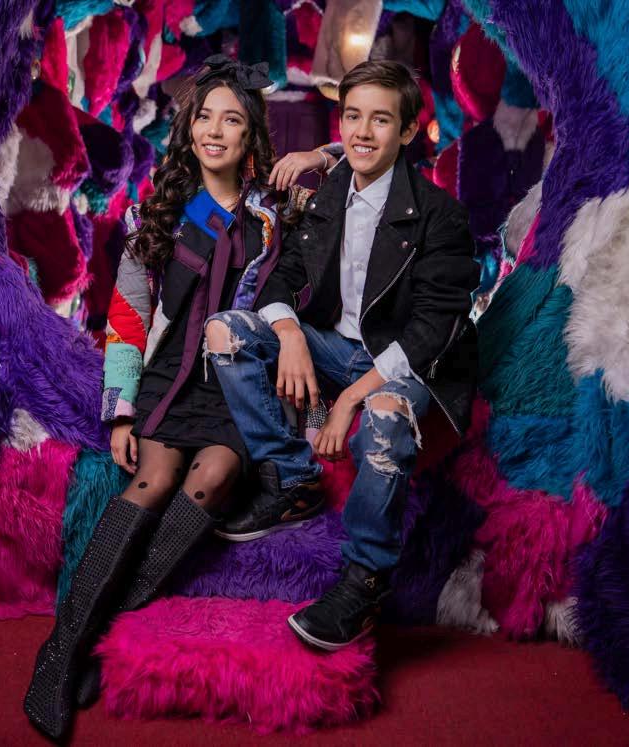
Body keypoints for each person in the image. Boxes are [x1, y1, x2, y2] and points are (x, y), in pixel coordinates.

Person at [24, 56, 307, 738]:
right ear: (188, 128)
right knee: (153, 480)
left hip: (233, 385)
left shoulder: (272, 219)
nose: (215, 130)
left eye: (232, 120)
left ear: (250, 135)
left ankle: (98, 633)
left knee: (213, 477)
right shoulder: (165, 212)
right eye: (204, 116)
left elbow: (345, 170)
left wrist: (317, 155)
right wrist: (121, 410)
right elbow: (127, 316)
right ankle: (59, 655)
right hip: (169, 377)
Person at [205, 60, 480, 651]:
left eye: (380, 119)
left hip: (405, 364)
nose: (362, 131)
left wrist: (349, 400)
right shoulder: (326, 195)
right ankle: (292, 480)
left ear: (407, 130)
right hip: (335, 347)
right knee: (227, 331)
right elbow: (280, 280)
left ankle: (365, 578)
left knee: (382, 416)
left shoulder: (441, 215)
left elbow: (433, 331)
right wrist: (291, 337)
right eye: (353, 116)